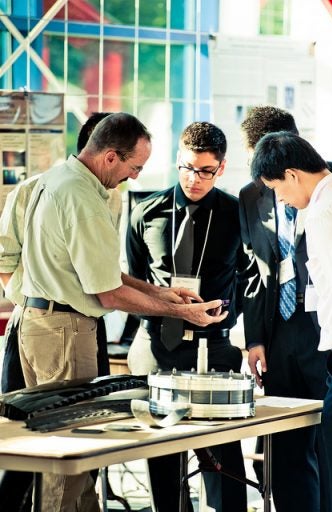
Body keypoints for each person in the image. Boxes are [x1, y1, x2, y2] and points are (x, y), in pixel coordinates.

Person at [18, 112, 227, 512]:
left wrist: (164, 295)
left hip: (39, 324)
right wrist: (182, 313)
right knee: (70, 456)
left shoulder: (57, 180)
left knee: (68, 456)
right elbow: (108, 294)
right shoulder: (83, 198)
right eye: (134, 167)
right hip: (64, 331)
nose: (134, 178)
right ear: (111, 157)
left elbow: (101, 272)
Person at [126, 121, 248, 512]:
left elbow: (251, 277)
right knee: (162, 458)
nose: (193, 179)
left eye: (205, 171)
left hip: (215, 350)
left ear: (221, 168)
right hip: (157, 347)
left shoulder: (236, 213)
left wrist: (226, 315)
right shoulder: (146, 211)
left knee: (224, 460)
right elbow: (136, 278)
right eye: (186, 167)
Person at [0, 111, 115, 512]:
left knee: (86, 438)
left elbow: (101, 272)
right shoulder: (39, 190)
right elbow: (4, 259)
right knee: (42, 445)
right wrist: (38, 301)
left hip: (82, 321)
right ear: (102, 152)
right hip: (42, 323)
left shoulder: (103, 194)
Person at [239, 106, 330, 512]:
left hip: (328, 330)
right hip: (278, 334)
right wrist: (254, 338)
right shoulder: (251, 195)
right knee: (285, 450)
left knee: (331, 445)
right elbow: (253, 270)